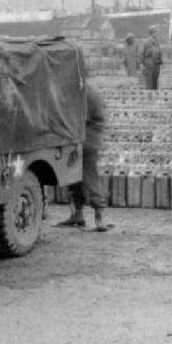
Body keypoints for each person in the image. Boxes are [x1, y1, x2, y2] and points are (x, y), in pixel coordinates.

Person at [56, 83, 111, 232]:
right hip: (82, 140)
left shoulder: (86, 94)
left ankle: (99, 217)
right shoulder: (87, 91)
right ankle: (78, 215)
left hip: (86, 142)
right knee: (74, 180)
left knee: (89, 178)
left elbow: (78, 119)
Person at [139, 25, 163, 90]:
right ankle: (149, 98)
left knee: (155, 83)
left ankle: (155, 98)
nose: (157, 33)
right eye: (156, 32)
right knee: (149, 83)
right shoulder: (146, 42)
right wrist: (145, 63)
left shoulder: (157, 42)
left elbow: (159, 52)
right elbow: (140, 54)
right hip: (149, 65)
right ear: (153, 32)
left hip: (156, 64)